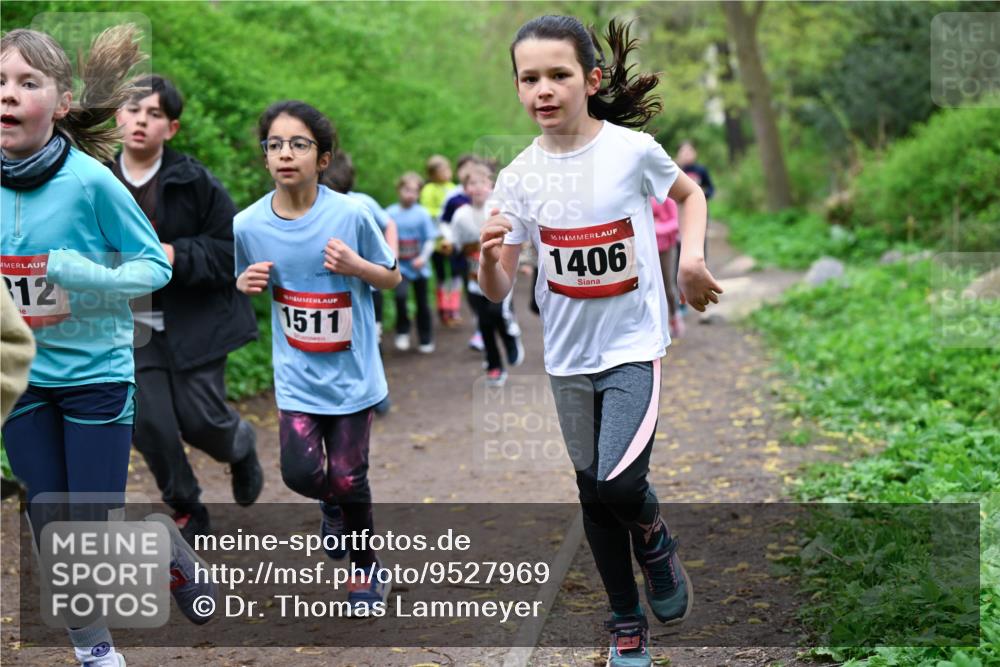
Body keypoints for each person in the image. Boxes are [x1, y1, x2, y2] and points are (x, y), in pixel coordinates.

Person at [477, 15, 723, 667]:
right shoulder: (519, 177)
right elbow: (500, 290)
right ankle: (625, 622)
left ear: (589, 78)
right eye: (529, 78)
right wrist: (488, 258)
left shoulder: (629, 152)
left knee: (618, 484)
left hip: (632, 345)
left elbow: (690, 195)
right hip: (567, 358)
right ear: (518, 88)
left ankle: (656, 537)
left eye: (558, 74)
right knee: (590, 489)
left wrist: (692, 260)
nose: (544, 89)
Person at [1, 26, 213, 667]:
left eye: (26, 83)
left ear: (61, 102)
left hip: (95, 375)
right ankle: (94, 649)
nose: (7, 95)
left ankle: (159, 543)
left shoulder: (91, 182)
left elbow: (154, 266)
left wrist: (85, 274)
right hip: (21, 381)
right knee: (49, 525)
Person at [235, 100, 399, 615]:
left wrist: (356, 265)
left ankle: (365, 573)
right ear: (265, 157)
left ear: (323, 158)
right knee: (302, 475)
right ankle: (333, 506)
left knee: (350, 475)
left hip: (352, 375)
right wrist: (242, 284)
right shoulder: (248, 225)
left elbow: (391, 275)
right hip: (297, 375)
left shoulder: (351, 214)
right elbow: (244, 280)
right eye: (275, 144)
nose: (286, 153)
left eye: (299, 144)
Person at [111, 74, 262, 543]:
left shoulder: (193, 181)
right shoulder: (92, 176)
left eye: (154, 114)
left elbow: (232, 250)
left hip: (193, 319)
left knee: (201, 421)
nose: (141, 121)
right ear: (118, 117)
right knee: (146, 419)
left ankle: (239, 446)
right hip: (126, 323)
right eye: (133, 110)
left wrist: (175, 255)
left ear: (170, 128)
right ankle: (185, 504)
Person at [320, 150, 397, 415]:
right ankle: (344, 394)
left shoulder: (362, 203)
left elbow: (390, 224)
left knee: (370, 338)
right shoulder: (318, 206)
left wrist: (390, 256)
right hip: (334, 290)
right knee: (342, 340)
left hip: (370, 286)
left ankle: (377, 393)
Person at [449, 162, 524, 386]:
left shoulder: (498, 208)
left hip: (500, 272)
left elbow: (514, 235)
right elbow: (456, 243)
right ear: (465, 189)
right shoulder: (461, 215)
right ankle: (494, 366)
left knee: (497, 312)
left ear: (490, 185)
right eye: (472, 183)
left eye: (482, 182)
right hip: (473, 278)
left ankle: (510, 339)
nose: (478, 187)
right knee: (483, 322)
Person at [387, 171, 438, 353]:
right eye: (406, 190)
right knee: (400, 297)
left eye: (414, 191)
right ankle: (402, 331)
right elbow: (384, 238)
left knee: (422, 303)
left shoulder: (422, 214)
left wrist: (422, 258)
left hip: (419, 267)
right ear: (399, 190)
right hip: (400, 268)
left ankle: (425, 338)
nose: (410, 194)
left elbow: (431, 239)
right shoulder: (390, 213)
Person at [420, 154, 460, 325]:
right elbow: (426, 211)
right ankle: (443, 309)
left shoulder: (454, 188)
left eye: (448, 168)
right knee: (442, 276)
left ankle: (454, 309)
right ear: (432, 174)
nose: (447, 172)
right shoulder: (428, 190)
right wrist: (444, 214)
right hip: (437, 243)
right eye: (442, 170)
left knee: (456, 274)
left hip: (453, 240)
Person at [651, 195, 684, 338]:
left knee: (668, 286)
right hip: (648, 250)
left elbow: (676, 223)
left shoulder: (667, 199)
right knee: (652, 288)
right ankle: (659, 323)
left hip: (667, 249)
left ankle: (675, 316)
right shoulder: (641, 195)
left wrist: (657, 227)